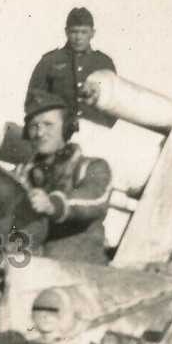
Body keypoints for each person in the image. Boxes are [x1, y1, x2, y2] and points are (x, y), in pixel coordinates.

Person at [16, 93, 113, 264]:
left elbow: (94, 199)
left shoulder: (91, 167)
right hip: (29, 268)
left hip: (79, 273)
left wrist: (54, 205)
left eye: (48, 125)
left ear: (67, 127)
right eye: (33, 126)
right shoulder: (21, 175)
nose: (39, 133)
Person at [25, 7, 117, 128]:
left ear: (92, 33)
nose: (78, 37)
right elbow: (33, 102)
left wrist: (103, 128)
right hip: (60, 133)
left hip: (96, 133)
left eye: (84, 32)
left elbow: (115, 103)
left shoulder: (104, 63)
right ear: (66, 32)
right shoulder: (49, 61)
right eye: (74, 32)